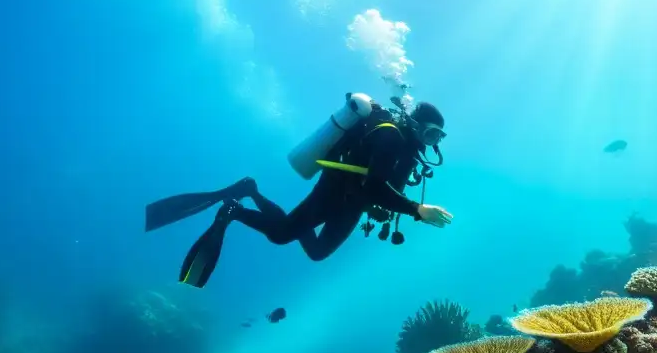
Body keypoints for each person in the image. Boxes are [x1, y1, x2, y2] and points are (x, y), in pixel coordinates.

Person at [145, 98, 454, 288]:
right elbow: (375, 186)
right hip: (335, 189)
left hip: (354, 203)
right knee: (281, 235)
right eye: (429, 132)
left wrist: (389, 206)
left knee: (317, 252)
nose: (431, 141)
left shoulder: (408, 150)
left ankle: (248, 193)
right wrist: (417, 209)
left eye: (437, 136)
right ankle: (240, 202)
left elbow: (380, 187)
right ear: (414, 123)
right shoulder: (390, 137)